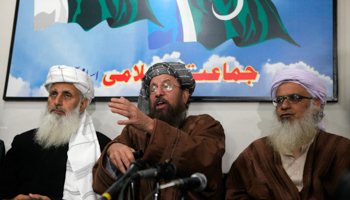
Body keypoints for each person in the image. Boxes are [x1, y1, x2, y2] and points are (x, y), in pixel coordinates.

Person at [92, 62, 225, 199]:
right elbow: (100, 185)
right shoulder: (134, 132)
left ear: (184, 96)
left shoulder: (206, 126)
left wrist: (150, 126)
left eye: (166, 86)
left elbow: (203, 159)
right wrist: (112, 151)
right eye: (153, 88)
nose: (158, 93)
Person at [225, 69, 350, 200]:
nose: (284, 106)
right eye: (279, 100)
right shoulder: (255, 152)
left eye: (294, 98)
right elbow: (234, 193)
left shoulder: (341, 150)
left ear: (316, 105)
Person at [0, 65, 111, 200]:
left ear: (82, 105)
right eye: (53, 94)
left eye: (67, 95)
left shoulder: (101, 146)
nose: (57, 102)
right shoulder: (23, 142)